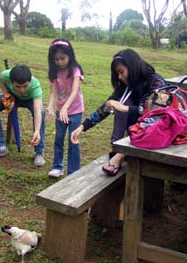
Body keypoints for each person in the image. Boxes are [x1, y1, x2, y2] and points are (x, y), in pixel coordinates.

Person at [71, 48, 166, 176]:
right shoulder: (125, 86)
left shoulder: (155, 81)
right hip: (138, 134)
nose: (120, 77)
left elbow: (159, 112)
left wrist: (126, 109)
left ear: (132, 66)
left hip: (159, 130)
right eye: (118, 74)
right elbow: (106, 107)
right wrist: (82, 127)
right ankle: (120, 148)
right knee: (119, 103)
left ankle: (120, 153)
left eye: (121, 72)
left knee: (125, 105)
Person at [0, 64, 46, 166]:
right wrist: (6, 95)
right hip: (12, 97)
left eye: (25, 86)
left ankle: (39, 153)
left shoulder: (35, 86)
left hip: (29, 100)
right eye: (18, 86)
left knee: (42, 112)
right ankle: (0, 147)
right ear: (12, 81)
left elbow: (37, 111)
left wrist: (37, 131)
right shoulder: (6, 75)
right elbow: (1, 78)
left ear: (30, 82)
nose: (22, 90)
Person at [46, 38, 84, 177]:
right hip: (60, 112)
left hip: (75, 111)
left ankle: (73, 172)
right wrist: (50, 106)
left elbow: (75, 91)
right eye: (56, 59)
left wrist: (64, 108)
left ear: (70, 55)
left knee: (73, 140)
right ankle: (57, 167)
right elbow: (54, 91)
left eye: (62, 58)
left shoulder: (75, 70)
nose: (59, 62)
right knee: (59, 139)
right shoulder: (55, 72)